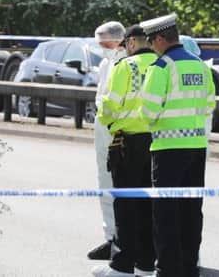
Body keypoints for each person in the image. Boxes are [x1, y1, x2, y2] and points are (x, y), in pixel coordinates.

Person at [138, 13, 216, 277]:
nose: (151, 46)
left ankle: (168, 269)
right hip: (196, 146)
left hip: (168, 148)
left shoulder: (161, 67)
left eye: (151, 41)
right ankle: (189, 266)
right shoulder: (200, 66)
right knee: (192, 210)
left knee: (166, 212)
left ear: (160, 39)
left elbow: (147, 111)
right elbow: (209, 105)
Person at [92, 25, 158, 277]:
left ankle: (122, 265)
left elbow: (109, 104)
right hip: (155, 142)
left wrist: (108, 124)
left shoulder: (125, 66)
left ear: (130, 43)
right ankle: (145, 264)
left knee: (125, 204)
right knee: (147, 206)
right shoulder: (161, 65)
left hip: (126, 141)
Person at [89, 21, 127, 260]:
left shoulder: (126, 63)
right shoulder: (106, 63)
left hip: (120, 130)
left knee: (122, 186)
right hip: (103, 128)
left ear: (118, 40)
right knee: (104, 184)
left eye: (104, 43)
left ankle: (124, 241)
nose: (101, 47)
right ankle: (110, 237)